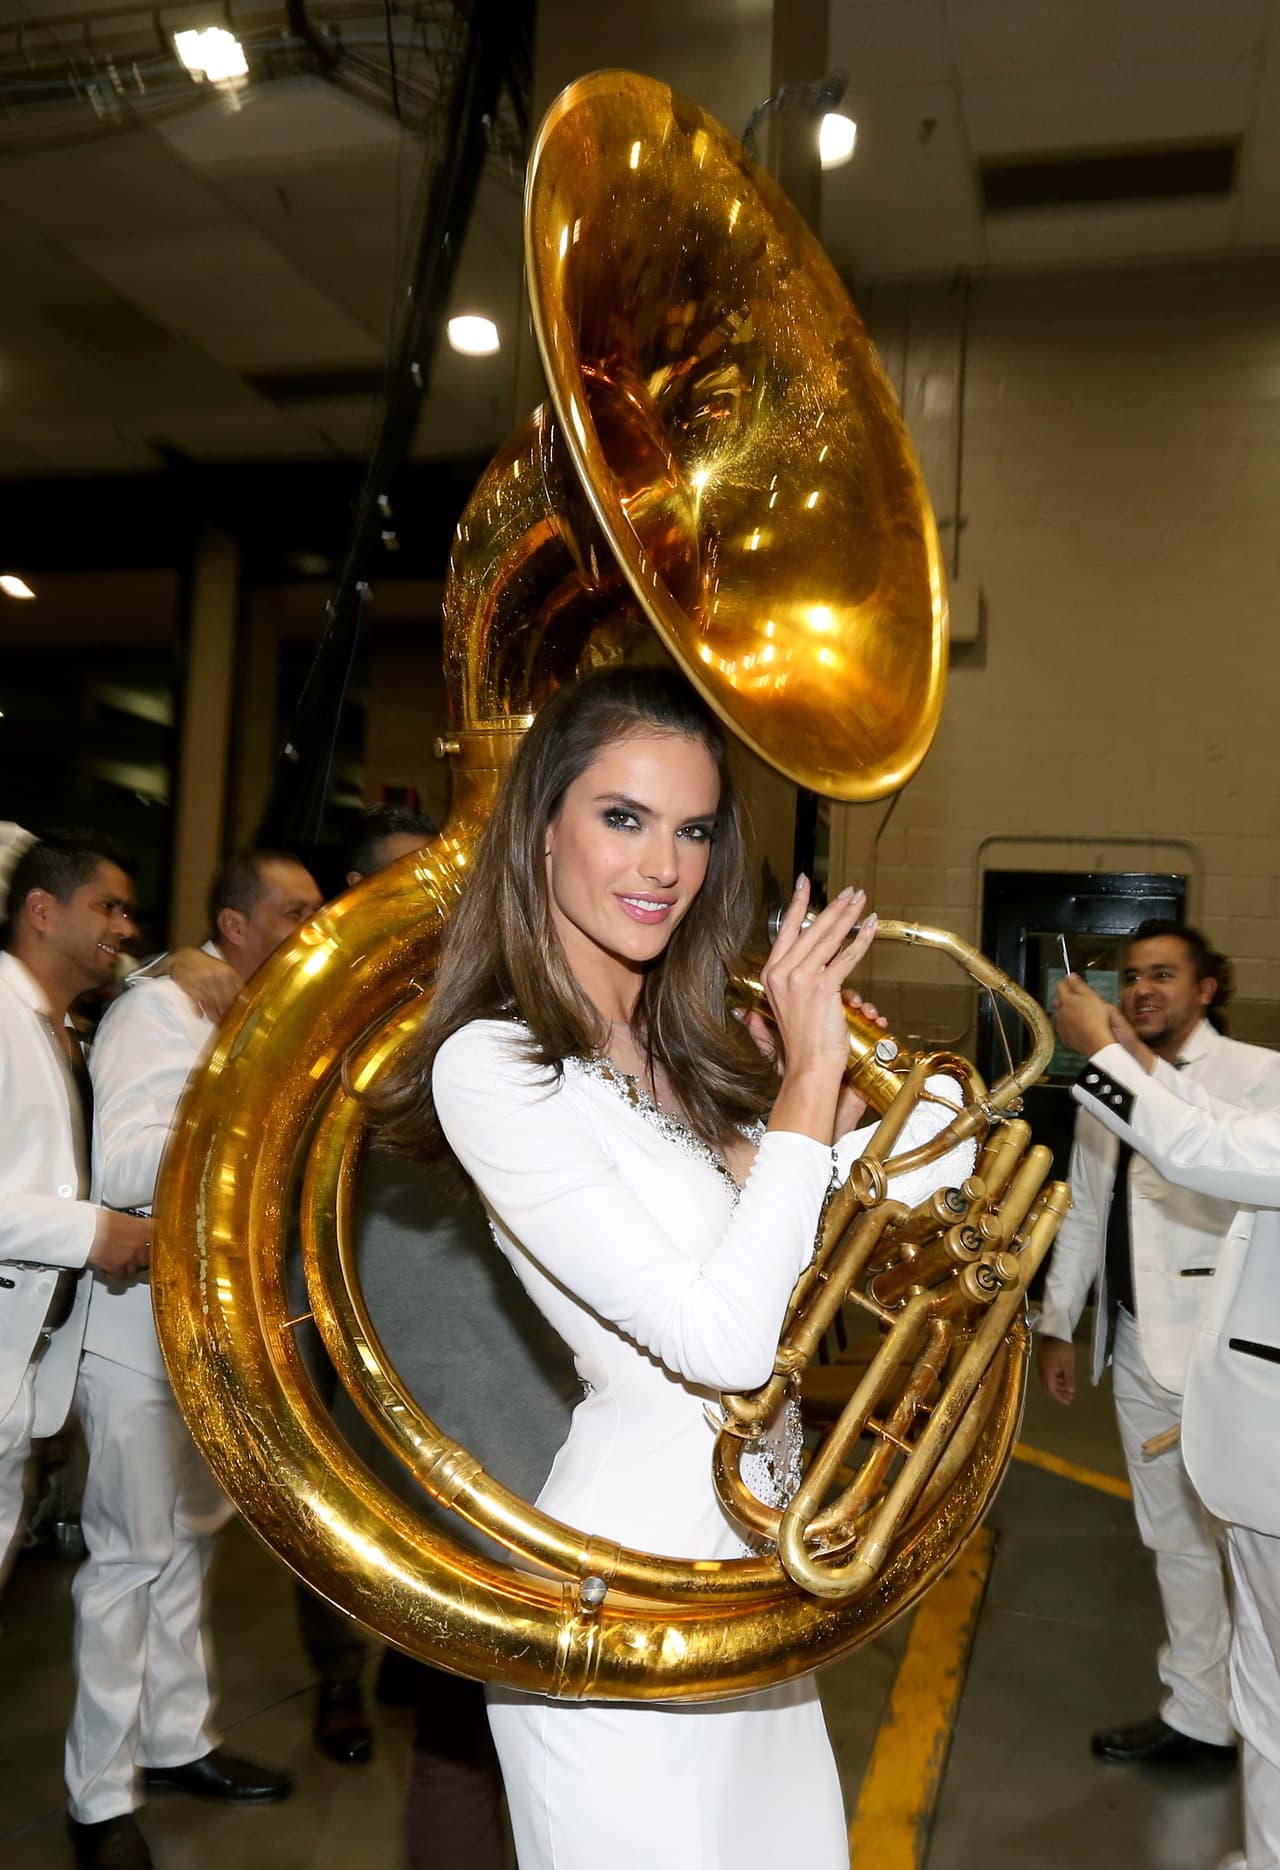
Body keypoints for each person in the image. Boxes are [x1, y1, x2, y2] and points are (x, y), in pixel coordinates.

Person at [370, 664, 973, 1870]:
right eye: (622, 817)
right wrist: (806, 1092)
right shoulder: (494, 1065)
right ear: (541, 828)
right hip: (621, 1600)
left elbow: (799, 1265)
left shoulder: (676, 1048)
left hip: (745, 1582)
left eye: (692, 829)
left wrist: (905, 1120)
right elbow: (725, 1344)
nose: (662, 866)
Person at [65, 848, 323, 1870]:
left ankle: (175, 1739)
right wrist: (240, 1111)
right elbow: (124, 1162)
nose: (315, 929)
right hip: (130, 1329)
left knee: (184, 1546)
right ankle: (95, 1799)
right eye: (295, 913)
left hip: (202, 1330)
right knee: (125, 1561)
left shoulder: (251, 1009)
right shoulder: (159, 1013)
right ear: (236, 924)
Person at [1038, 922, 1280, 1766]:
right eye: (1132, 977)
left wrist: (1104, 1056)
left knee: (1245, 1551)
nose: (1143, 990)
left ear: (1207, 987)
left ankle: (1250, 1720)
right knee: (1173, 1541)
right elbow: (1082, 1205)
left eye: (1165, 975)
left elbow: (1198, 1149)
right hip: (1137, 1341)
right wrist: (1059, 1323)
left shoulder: (1259, 1076)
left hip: (1225, 1364)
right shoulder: (1123, 1081)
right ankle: (1199, 1711)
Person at [0, 832, 151, 1586]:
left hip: (21, 1367)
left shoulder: (64, 1030)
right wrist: (93, 1233)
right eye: (106, 907)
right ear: (40, 909)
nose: (124, 928)